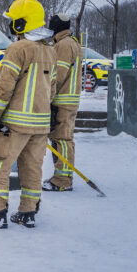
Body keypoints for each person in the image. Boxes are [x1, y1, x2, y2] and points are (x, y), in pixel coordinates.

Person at [0, 0, 56, 229]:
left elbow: (5, 86)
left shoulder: (17, 48)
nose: (10, 25)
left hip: (14, 124)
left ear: (21, 23)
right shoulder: (50, 51)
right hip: (40, 125)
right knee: (32, 169)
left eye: (12, 20)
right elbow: (53, 88)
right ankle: (27, 212)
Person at [44, 14, 82, 192]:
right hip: (67, 99)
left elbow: (57, 75)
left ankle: (62, 180)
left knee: (63, 139)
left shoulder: (64, 45)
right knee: (61, 138)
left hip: (63, 99)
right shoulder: (68, 42)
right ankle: (61, 176)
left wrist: (46, 94)